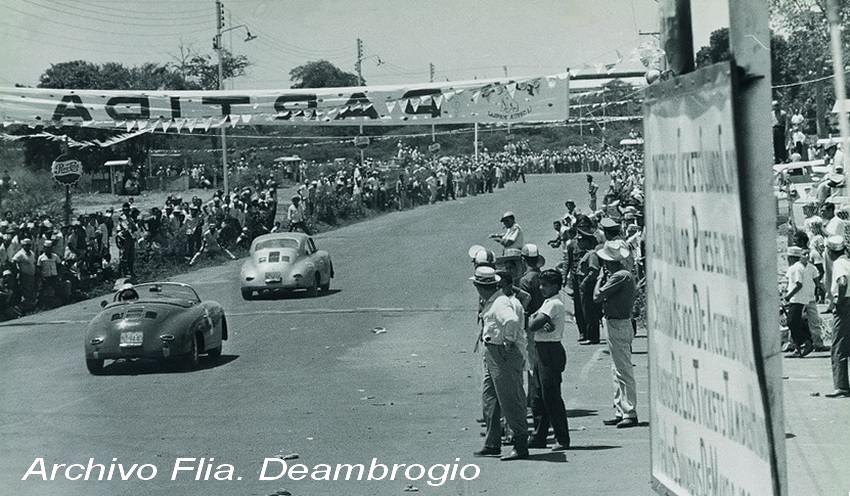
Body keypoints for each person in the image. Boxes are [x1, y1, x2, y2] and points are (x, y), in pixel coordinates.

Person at [470, 266, 529, 461]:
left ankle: (520, 444)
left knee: (510, 399)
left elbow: (510, 320)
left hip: (502, 353)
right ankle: (492, 443)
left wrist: (509, 341)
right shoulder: (494, 301)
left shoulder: (500, 303)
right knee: (490, 399)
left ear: (481, 286)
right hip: (493, 353)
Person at [593, 239, 639, 427]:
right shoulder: (620, 275)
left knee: (623, 369)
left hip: (618, 323)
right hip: (615, 322)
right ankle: (621, 409)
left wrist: (598, 279)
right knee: (616, 368)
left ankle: (629, 411)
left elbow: (597, 296)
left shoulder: (619, 276)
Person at [526, 269, 571, 451]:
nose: (541, 288)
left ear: (555, 286)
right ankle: (539, 436)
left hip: (550, 350)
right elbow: (533, 321)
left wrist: (536, 321)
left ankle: (562, 438)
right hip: (541, 349)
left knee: (551, 396)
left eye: (545, 285)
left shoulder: (553, 304)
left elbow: (532, 324)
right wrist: (536, 321)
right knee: (538, 396)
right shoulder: (547, 302)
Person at [825, 235, 850, 398]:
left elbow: (842, 282)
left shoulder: (839, 263)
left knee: (838, 347)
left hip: (844, 305)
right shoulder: (847, 261)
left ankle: (841, 386)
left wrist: (838, 301)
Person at [783, 246, 814, 357]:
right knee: (796, 322)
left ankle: (806, 342)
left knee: (791, 322)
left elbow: (798, 284)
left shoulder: (795, 268)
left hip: (796, 298)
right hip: (800, 298)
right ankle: (798, 347)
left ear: (790, 258)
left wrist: (788, 296)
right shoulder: (801, 267)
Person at [11, 238, 36, 311]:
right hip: (25, 275)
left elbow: (33, 262)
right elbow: (14, 261)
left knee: (31, 291)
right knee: (26, 292)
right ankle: (26, 308)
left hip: (32, 275)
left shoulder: (31, 253)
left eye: (29, 245)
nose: (28, 247)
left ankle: (31, 307)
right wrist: (18, 270)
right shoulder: (20, 254)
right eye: (26, 245)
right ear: (23, 246)